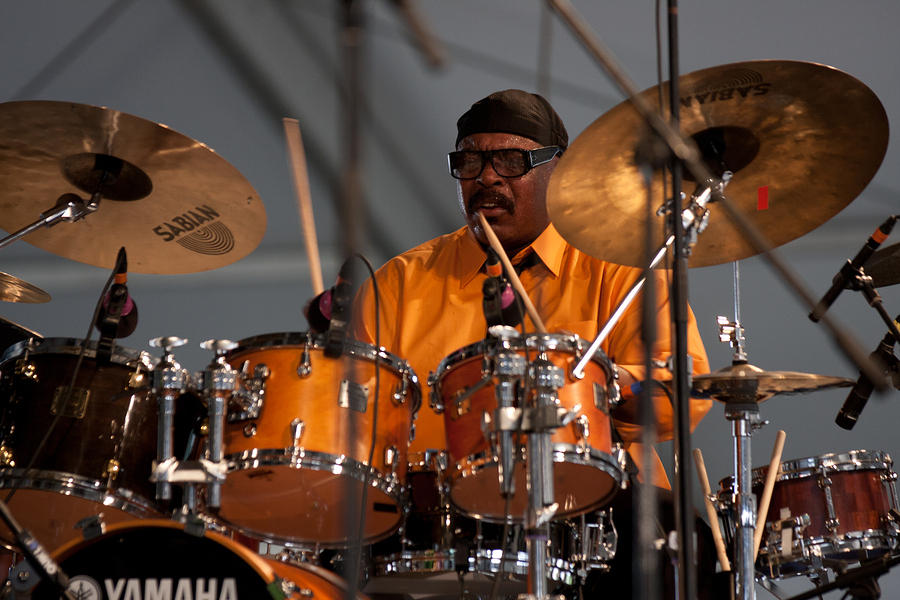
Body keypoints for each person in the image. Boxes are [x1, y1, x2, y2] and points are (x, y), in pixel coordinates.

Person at [350, 89, 717, 595]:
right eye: (470, 161)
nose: (486, 177)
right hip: (434, 542)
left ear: (559, 171)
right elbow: (349, 429)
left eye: (509, 160)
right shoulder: (397, 284)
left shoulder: (622, 269)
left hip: (600, 537)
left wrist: (600, 384)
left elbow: (687, 388)